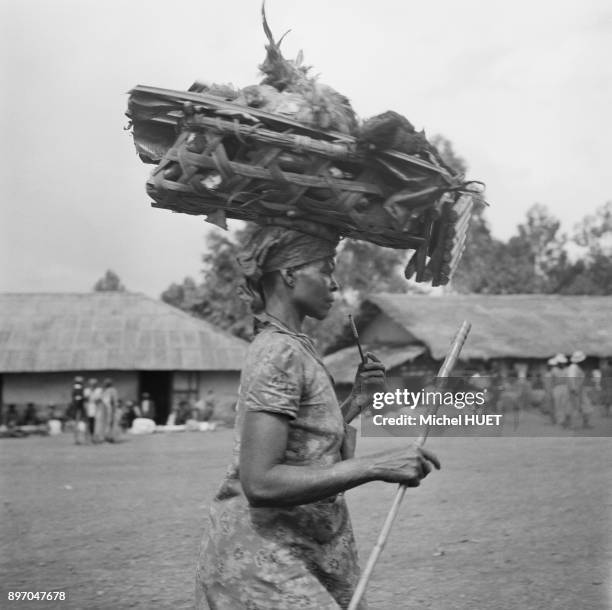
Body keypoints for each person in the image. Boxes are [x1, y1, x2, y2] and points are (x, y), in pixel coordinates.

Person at [196, 225, 440, 610]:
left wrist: (356, 402)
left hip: (301, 551)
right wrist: (377, 465)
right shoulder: (279, 352)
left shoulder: (296, 347)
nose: (334, 284)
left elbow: (306, 450)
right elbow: (260, 482)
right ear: (290, 274)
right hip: (266, 566)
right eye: (325, 270)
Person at [72, 376, 87, 444]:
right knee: (79, 424)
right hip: (79, 409)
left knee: (78, 424)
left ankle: (78, 439)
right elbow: (78, 399)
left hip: (78, 408)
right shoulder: (78, 387)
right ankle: (78, 440)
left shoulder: (76, 387)